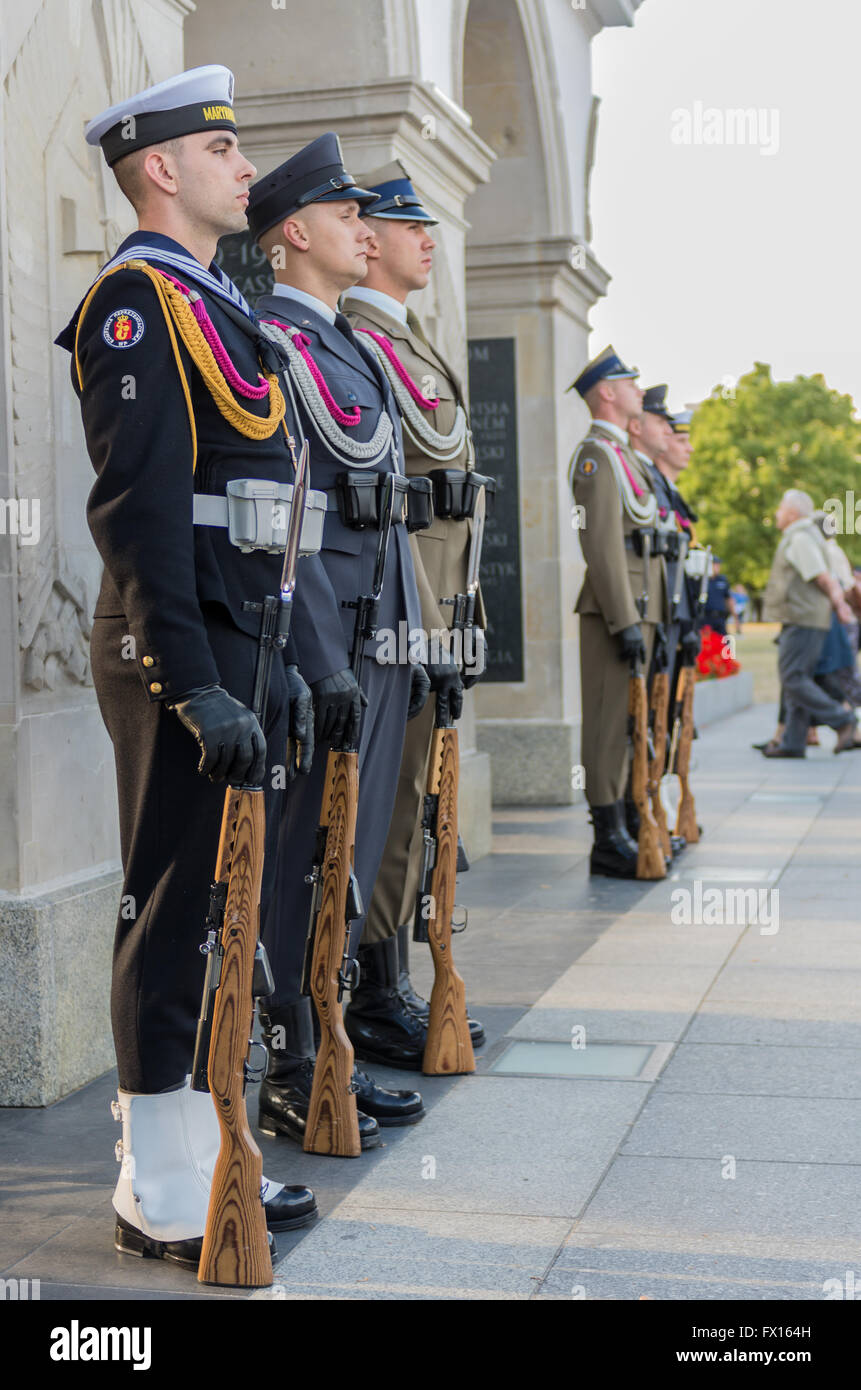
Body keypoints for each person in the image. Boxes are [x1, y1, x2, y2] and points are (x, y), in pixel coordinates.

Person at [55, 66, 320, 1270]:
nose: (246, 171)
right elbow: (140, 506)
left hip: (242, 640)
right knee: (168, 905)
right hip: (179, 645)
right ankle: (156, 1177)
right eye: (224, 150)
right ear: (162, 167)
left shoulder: (217, 302)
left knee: (230, 900)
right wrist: (185, 670)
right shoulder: (135, 303)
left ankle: (217, 1145)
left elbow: (266, 502)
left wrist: (293, 658)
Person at [246, 135, 428, 1144]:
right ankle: (293, 1061)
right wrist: (319, 655)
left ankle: (333, 1048)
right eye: (348, 214)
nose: (369, 229)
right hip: (333, 637)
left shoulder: (350, 343)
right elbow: (286, 518)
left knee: (353, 848)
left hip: (386, 633)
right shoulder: (272, 342)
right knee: (304, 847)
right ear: (295, 233)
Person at [340, 160, 486, 1067]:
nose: (424, 239)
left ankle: (390, 978)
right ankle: (372, 989)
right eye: (406, 226)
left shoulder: (409, 337)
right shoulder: (360, 341)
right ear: (366, 243)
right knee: (390, 802)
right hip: (400, 613)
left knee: (421, 800)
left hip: (437, 606)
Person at [569, 347, 667, 877]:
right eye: (629, 382)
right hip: (615, 611)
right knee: (608, 724)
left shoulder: (623, 456)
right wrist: (625, 620)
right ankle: (607, 837)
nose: (637, 389)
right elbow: (602, 545)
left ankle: (628, 820)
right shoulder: (596, 456)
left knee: (632, 721)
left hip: (640, 608)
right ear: (606, 392)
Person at [760, 490, 861, 757]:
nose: (778, 514)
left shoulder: (800, 537)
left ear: (793, 512)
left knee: (792, 676)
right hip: (806, 617)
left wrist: (840, 607)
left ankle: (842, 719)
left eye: (781, 509)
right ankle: (793, 742)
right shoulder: (806, 535)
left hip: (803, 618)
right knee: (799, 676)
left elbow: (822, 577)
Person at [704, 557, 734, 636]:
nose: (717, 567)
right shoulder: (703, 580)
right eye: (715, 565)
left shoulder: (723, 580)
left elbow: (728, 598)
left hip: (720, 617)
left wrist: (733, 614)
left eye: (718, 565)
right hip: (706, 617)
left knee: (724, 642)